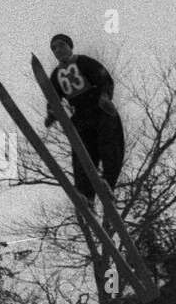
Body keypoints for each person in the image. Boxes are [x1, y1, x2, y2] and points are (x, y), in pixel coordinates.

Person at [43, 33, 124, 207]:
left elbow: (103, 77)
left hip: (100, 109)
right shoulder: (56, 74)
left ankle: (108, 183)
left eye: (62, 45)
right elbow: (54, 98)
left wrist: (105, 96)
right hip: (81, 116)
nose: (58, 50)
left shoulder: (84, 62)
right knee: (82, 155)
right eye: (54, 48)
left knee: (109, 145)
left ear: (70, 46)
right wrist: (52, 113)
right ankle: (86, 195)